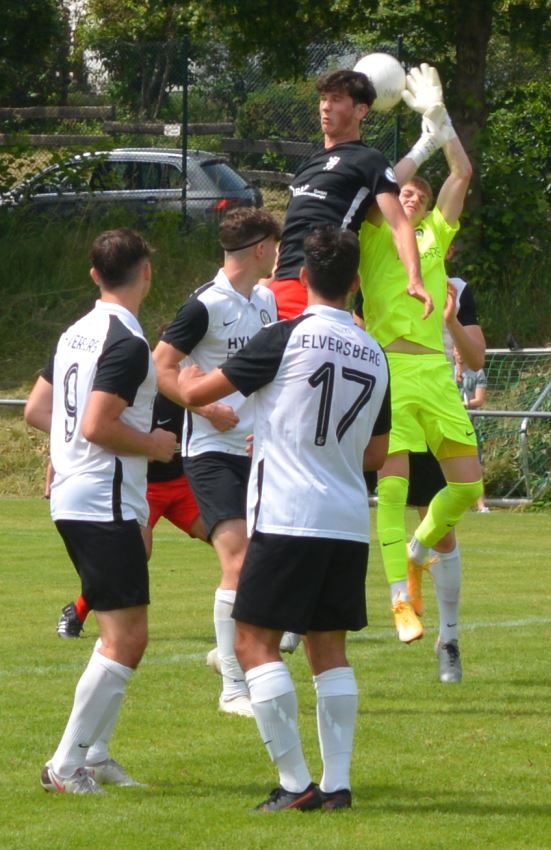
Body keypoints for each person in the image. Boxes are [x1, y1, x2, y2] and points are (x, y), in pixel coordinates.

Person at [178, 225, 391, 811]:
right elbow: (377, 453)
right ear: (356, 283)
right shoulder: (375, 351)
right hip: (347, 518)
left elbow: (200, 395)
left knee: (252, 643)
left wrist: (190, 380)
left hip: (289, 512)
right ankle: (338, 785)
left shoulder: (285, 336)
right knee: (329, 651)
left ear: (301, 277)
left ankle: (296, 784)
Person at [24, 227, 177, 794]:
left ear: (94, 275)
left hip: (83, 496)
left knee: (119, 631)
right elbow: (95, 425)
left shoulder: (75, 332)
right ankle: (65, 767)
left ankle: (95, 753)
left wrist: (64, 450)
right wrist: (155, 445)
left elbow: (37, 409)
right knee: (128, 637)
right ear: (147, 272)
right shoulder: (128, 341)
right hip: (101, 499)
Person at [358, 63, 484, 656]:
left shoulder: (434, 233)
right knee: (390, 491)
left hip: (435, 370)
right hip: (391, 371)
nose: (407, 195)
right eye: (401, 192)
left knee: (467, 484)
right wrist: (420, 144)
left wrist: (442, 119)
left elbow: (463, 172)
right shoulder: (372, 235)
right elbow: (379, 186)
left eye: (416, 194)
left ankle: (419, 549)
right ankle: (399, 599)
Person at [152, 206, 281, 718]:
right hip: (211, 453)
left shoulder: (267, 300)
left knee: (265, 565)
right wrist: (204, 408)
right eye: (274, 245)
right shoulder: (204, 304)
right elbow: (161, 367)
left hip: (260, 451)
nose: (278, 253)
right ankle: (232, 687)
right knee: (238, 561)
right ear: (259, 249)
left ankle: (227, 652)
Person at [268, 68, 433, 322]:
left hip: (316, 287)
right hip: (277, 288)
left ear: (361, 111)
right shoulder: (307, 165)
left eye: (336, 99)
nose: (326, 107)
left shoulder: (368, 160)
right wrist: (270, 278)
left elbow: (399, 225)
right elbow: (291, 227)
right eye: (323, 98)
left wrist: (415, 278)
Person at [56, 389, 208, 639]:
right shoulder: (132, 399)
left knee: (232, 540)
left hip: (183, 486)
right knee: (134, 555)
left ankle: (254, 619)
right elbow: (104, 433)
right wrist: (148, 447)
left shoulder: (188, 394)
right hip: (144, 489)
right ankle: (76, 612)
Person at [454, 347, 490, 512]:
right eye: (457, 350)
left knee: (474, 464)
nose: (460, 353)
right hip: (449, 424)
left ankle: (481, 506)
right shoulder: (446, 371)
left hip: (470, 424)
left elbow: (479, 400)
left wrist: (461, 405)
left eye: (462, 350)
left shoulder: (478, 373)